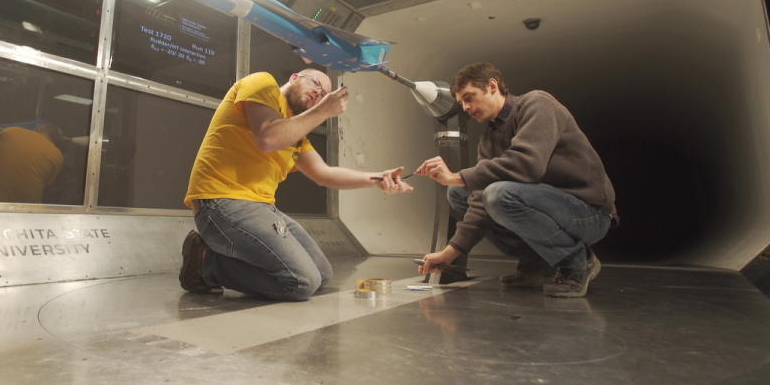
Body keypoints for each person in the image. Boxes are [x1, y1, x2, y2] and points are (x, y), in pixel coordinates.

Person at [180, 69, 413, 301]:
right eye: (315, 83)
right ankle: (205, 262)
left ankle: (228, 262)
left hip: (262, 207)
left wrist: (377, 179)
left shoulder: (296, 136)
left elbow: (324, 174)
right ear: (294, 77)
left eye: (323, 94)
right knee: (301, 282)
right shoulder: (262, 83)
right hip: (221, 200)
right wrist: (323, 111)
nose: (318, 93)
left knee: (322, 274)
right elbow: (268, 138)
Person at [415, 63, 616, 298]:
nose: (466, 108)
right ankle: (538, 263)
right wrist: (451, 252)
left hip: (588, 214)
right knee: (460, 195)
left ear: (492, 86)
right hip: (546, 208)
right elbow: (479, 201)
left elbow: (527, 164)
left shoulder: (538, 104)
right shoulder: (489, 139)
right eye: (461, 103)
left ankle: (577, 262)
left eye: (469, 98)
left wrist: (457, 177)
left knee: (497, 194)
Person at [0, 123, 64, 203]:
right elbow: (47, 188)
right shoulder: (57, 155)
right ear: (56, 141)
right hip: (26, 211)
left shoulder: (10, 131)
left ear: (39, 129)